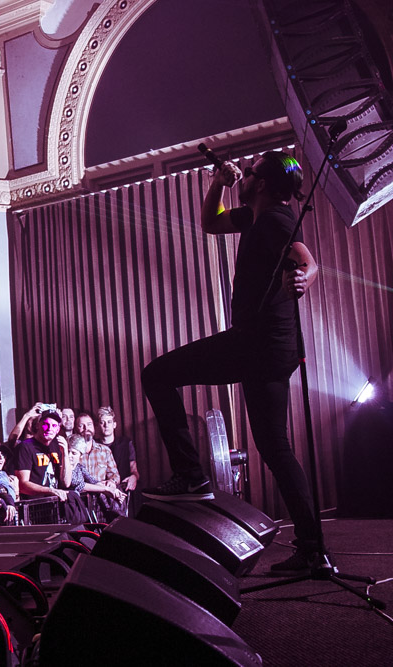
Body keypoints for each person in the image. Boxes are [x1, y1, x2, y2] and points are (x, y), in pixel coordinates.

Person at [141, 150, 323, 575]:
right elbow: (210, 223)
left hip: (255, 345)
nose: (245, 172)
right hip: (273, 349)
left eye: (251, 169)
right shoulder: (253, 217)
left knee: (157, 374)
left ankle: (190, 474)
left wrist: (304, 276)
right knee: (276, 448)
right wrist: (219, 182)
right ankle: (313, 550)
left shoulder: (275, 218)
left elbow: (309, 261)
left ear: (260, 182)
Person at [12, 409, 70, 500]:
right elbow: (22, 484)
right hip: (35, 505)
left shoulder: (58, 445)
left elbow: (66, 483)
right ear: (38, 425)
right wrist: (50, 490)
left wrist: (65, 453)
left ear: (58, 429)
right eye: (46, 424)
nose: (50, 428)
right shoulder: (26, 447)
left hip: (55, 502)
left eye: (54, 425)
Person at [97, 406, 141, 516]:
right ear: (98, 425)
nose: (106, 425)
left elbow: (134, 470)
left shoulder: (126, 443)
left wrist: (134, 477)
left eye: (109, 422)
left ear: (114, 424)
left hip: (124, 492)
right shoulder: (94, 445)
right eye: (102, 422)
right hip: (101, 495)